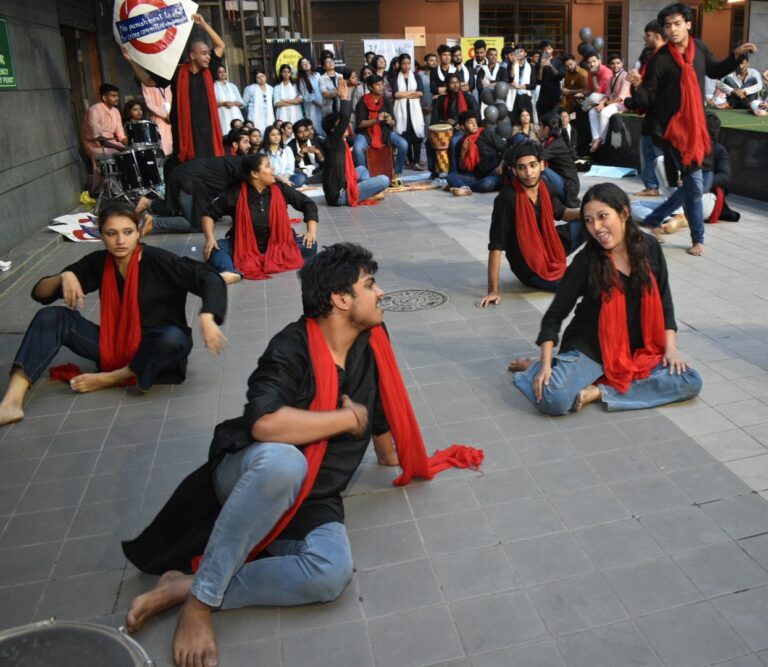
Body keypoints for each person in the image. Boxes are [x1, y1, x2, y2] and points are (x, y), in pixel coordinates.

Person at [121, 242, 482, 667]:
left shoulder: (372, 337)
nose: (381, 292)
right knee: (284, 461)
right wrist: (346, 420)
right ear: (341, 299)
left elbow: (378, 397)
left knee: (330, 574)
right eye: (370, 285)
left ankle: (185, 587)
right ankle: (200, 604)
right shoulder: (289, 348)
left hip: (314, 495)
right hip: (252, 474)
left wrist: (389, 452)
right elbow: (264, 423)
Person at [0, 204, 227, 427]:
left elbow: (209, 278)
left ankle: (111, 377)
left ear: (138, 232)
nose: (120, 241)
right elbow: (40, 294)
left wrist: (207, 316)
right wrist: (64, 275)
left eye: (128, 232)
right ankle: (12, 401)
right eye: (112, 233)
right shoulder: (99, 262)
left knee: (174, 338)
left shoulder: (159, 260)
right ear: (101, 236)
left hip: (155, 351)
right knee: (52, 316)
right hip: (115, 345)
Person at [510, 183, 702, 415]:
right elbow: (554, 317)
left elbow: (665, 303)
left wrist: (670, 350)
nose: (596, 227)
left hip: (637, 348)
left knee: (690, 380)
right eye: (588, 220)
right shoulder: (586, 261)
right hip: (591, 348)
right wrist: (545, 365)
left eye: (602, 216)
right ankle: (541, 367)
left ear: (624, 212)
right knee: (555, 400)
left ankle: (599, 391)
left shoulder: (649, 247)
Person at [627, 1, 755, 255]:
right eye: (667, 26)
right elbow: (646, 98)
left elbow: (716, 70)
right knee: (695, 184)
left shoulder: (700, 48)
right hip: (673, 132)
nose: (672, 30)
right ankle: (698, 238)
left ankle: (655, 219)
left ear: (688, 24)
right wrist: (637, 85)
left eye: (677, 24)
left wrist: (737, 54)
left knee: (695, 184)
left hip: (698, 129)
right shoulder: (660, 59)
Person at [479, 141, 582, 303]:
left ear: (542, 165)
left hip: (550, 247)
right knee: (579, 285)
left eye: (533, 165)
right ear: (514, 170)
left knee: (591, 223)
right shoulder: (507, 198)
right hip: (529, 266)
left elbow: (562, 213)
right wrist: (493, 291)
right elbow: (496, 246)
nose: (528, 173)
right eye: (522, 168)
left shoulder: (545, 186)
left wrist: (588, 213)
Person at [123, 14, 226, 171]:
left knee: (209, 169)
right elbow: (147, 81)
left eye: (208, 53)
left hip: (207, 131)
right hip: (183, 131)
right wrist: (131, 60)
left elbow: (220, 45)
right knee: (188, 169)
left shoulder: (209, 70)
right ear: (192, 55)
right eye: (204, 53)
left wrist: (204, 24)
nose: (208, 57)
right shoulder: (176, 72)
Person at [201, 153, 317, 285]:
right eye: (268, 166)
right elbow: (209, 214)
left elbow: (307, 204)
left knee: (310, 244)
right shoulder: (236, 194)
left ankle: (255, 261)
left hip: (279, 245)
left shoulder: (280, 189)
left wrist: (311, 232)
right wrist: (209, 238)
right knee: (215, 248)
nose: (273, 169)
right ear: (255, 174)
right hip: (243, 247)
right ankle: (230, 272)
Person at [137, 155, 245, 236]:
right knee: (199, 225)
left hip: (187, 177)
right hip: (188, 181)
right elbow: (231, 199)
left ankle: (148, 203)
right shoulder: (242, 169)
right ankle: (154, 223)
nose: (248, 145)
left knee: (177, 209)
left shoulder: (240, 165)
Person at [322, 78, 389, 206]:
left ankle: (363, 191)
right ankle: (362, 194)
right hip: (340, 195)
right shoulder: (332, 140)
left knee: (362, 169)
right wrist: (344, 98)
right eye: (341, 125)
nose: (345, 127)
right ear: (333, 130)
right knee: (384, 180)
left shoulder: (338, 141)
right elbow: (345, 118)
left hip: (343, 184)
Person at [632, 20, 667, 198]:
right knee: (648, 146)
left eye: (647, 35)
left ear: (657, 35)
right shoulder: (658, 57)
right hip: (654, 112)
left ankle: (658, 186)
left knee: (655, 151)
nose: (645, 39)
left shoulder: (660, 59)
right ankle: (653, 185)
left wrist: (638, 84)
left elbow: (649, 93)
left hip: (660, 113)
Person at [353, 74, 408, 179]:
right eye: (377, 85)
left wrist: (390, 121)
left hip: (385, 132)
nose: (381, 87)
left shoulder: (385, 101)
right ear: (370, 87)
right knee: (357, 148)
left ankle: (396, 173)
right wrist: (376, 120)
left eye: (382, 84)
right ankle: (363, 177)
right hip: (367, 133)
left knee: (403, 144)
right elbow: (360, 123)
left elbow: (393, 122)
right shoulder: (363, 101)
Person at [446, 110, 507, 195]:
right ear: (462, 127)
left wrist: (500, 166)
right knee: (451, 177)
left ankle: (462, 186)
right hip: (475, 176)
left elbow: (506, 148)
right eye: (470, 122)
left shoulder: (486, 133)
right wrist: (463, 153)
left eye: (475, 121)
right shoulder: (461, 143)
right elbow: (462, 169)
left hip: (493, 174)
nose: (475, 124)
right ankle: (466, 189)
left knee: (486, 184)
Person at [82, 83, 127, 192]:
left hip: (112, 144)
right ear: (104, 97)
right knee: (118, 154)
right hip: (95, 145)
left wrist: (130, 143)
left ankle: (128, 187)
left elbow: (120, 135)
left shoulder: (116, 111)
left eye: (117, 95)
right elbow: (99, 138)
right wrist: (119, 148)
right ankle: (115, 189)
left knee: (132, 153)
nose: (117, 98)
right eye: (113, 96)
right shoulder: (94, 110)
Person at [588, 53, 631, 153]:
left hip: (623, 105)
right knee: (592, 112)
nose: (615, 65)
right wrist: (601, 103)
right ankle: (595, 138)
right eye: (613, 63)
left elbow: (620, 98)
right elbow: (607, 95)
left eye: (618, 63)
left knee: (604, 112)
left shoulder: (625, 76)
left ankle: (601, 140)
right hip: (613, 103)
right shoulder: (611, 78)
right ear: (609, 65)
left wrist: (605, 104)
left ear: (622, 64)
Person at [391, 53, 426, 170]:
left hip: (415, 110)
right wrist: (412, 93)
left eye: (408, 63)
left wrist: (404, 95)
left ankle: (416, 161)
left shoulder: (416, 76)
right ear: (399, 64)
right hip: (401, 110)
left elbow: (420, 93)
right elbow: (396, 94)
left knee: (417, 133)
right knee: (405, 135)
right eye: (404, 64)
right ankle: (410, 160)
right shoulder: (395, 77)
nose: (406, 66)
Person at [540, 113, 581, 207]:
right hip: (565, 183)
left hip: (569, 188)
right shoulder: (554, 141)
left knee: (541, 171)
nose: (539, 129)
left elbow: (538, 156)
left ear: (546, 128)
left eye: (540, 126)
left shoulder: (556, 144)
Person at [288, 118, 325, 183]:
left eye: (305, 131)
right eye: (300, 132)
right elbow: (291, 166)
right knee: (296, 173)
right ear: (295, 134)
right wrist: (301, 152)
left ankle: (306, 181)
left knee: (328, 169)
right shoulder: (290, 145)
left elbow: (324, 163)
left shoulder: (317, 141)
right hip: (301, 172)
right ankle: (307, 180)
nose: (304, 134)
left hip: (316, 171)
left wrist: (319, 153)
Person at [142, 83, 173, 157]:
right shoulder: (146, 82)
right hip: (159, 120)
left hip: (172, 118)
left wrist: (172, 114)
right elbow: (149, 103)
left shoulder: (168, 81)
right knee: (164, 148)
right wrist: (165, 115)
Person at [535, 41, 565, 119]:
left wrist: (550, 65)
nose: (547, 51)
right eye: (544, 49)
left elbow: (560, 76)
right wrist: (541, 67)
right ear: (542, 51)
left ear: (552, 50)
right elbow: (538, 80)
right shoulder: (538, 63)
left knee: (555, 118)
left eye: (548, 48)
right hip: (543, 95)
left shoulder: (558, 61)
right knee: (543, 118)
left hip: (555, 94)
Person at [297, 57, 324, 137]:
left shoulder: (317, 75)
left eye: (307, 62)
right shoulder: (302, 79)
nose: (306, 64)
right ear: (301, 67)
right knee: (315, 125)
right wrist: (319, 104)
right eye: (303, 64)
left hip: (323, 104)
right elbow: (306, 96)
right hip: (313, 107)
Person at [242, 69, 275, 134]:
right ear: (255, 79)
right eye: (258, 77)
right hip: (254, 116)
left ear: (265, 76)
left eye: (262, 76)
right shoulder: (250, 89)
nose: (261, 79)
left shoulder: (271, 89)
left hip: (269, 116)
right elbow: (244, 104)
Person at [213, 65, 244, 132]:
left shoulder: (232, 86)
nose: (223, 73)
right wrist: (223, 104)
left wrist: (234, 103)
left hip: (235, 114)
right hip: (222, 115)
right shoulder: (213, 87)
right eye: (220, 72)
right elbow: (211, 104)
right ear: (216, 74)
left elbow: (241, 103)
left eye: (224, 71)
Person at [507, 47, 535, 121]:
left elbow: (533, 85)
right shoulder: (511, 65)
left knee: (527, 120)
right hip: (513, 95)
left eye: (521, 51)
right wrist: (513, 65)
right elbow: (510, 80)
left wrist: (519, 86)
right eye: (517, 51)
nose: (519, 53)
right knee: (514, 120)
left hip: (525, 96)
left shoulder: (531, 66)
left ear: (525, 53)